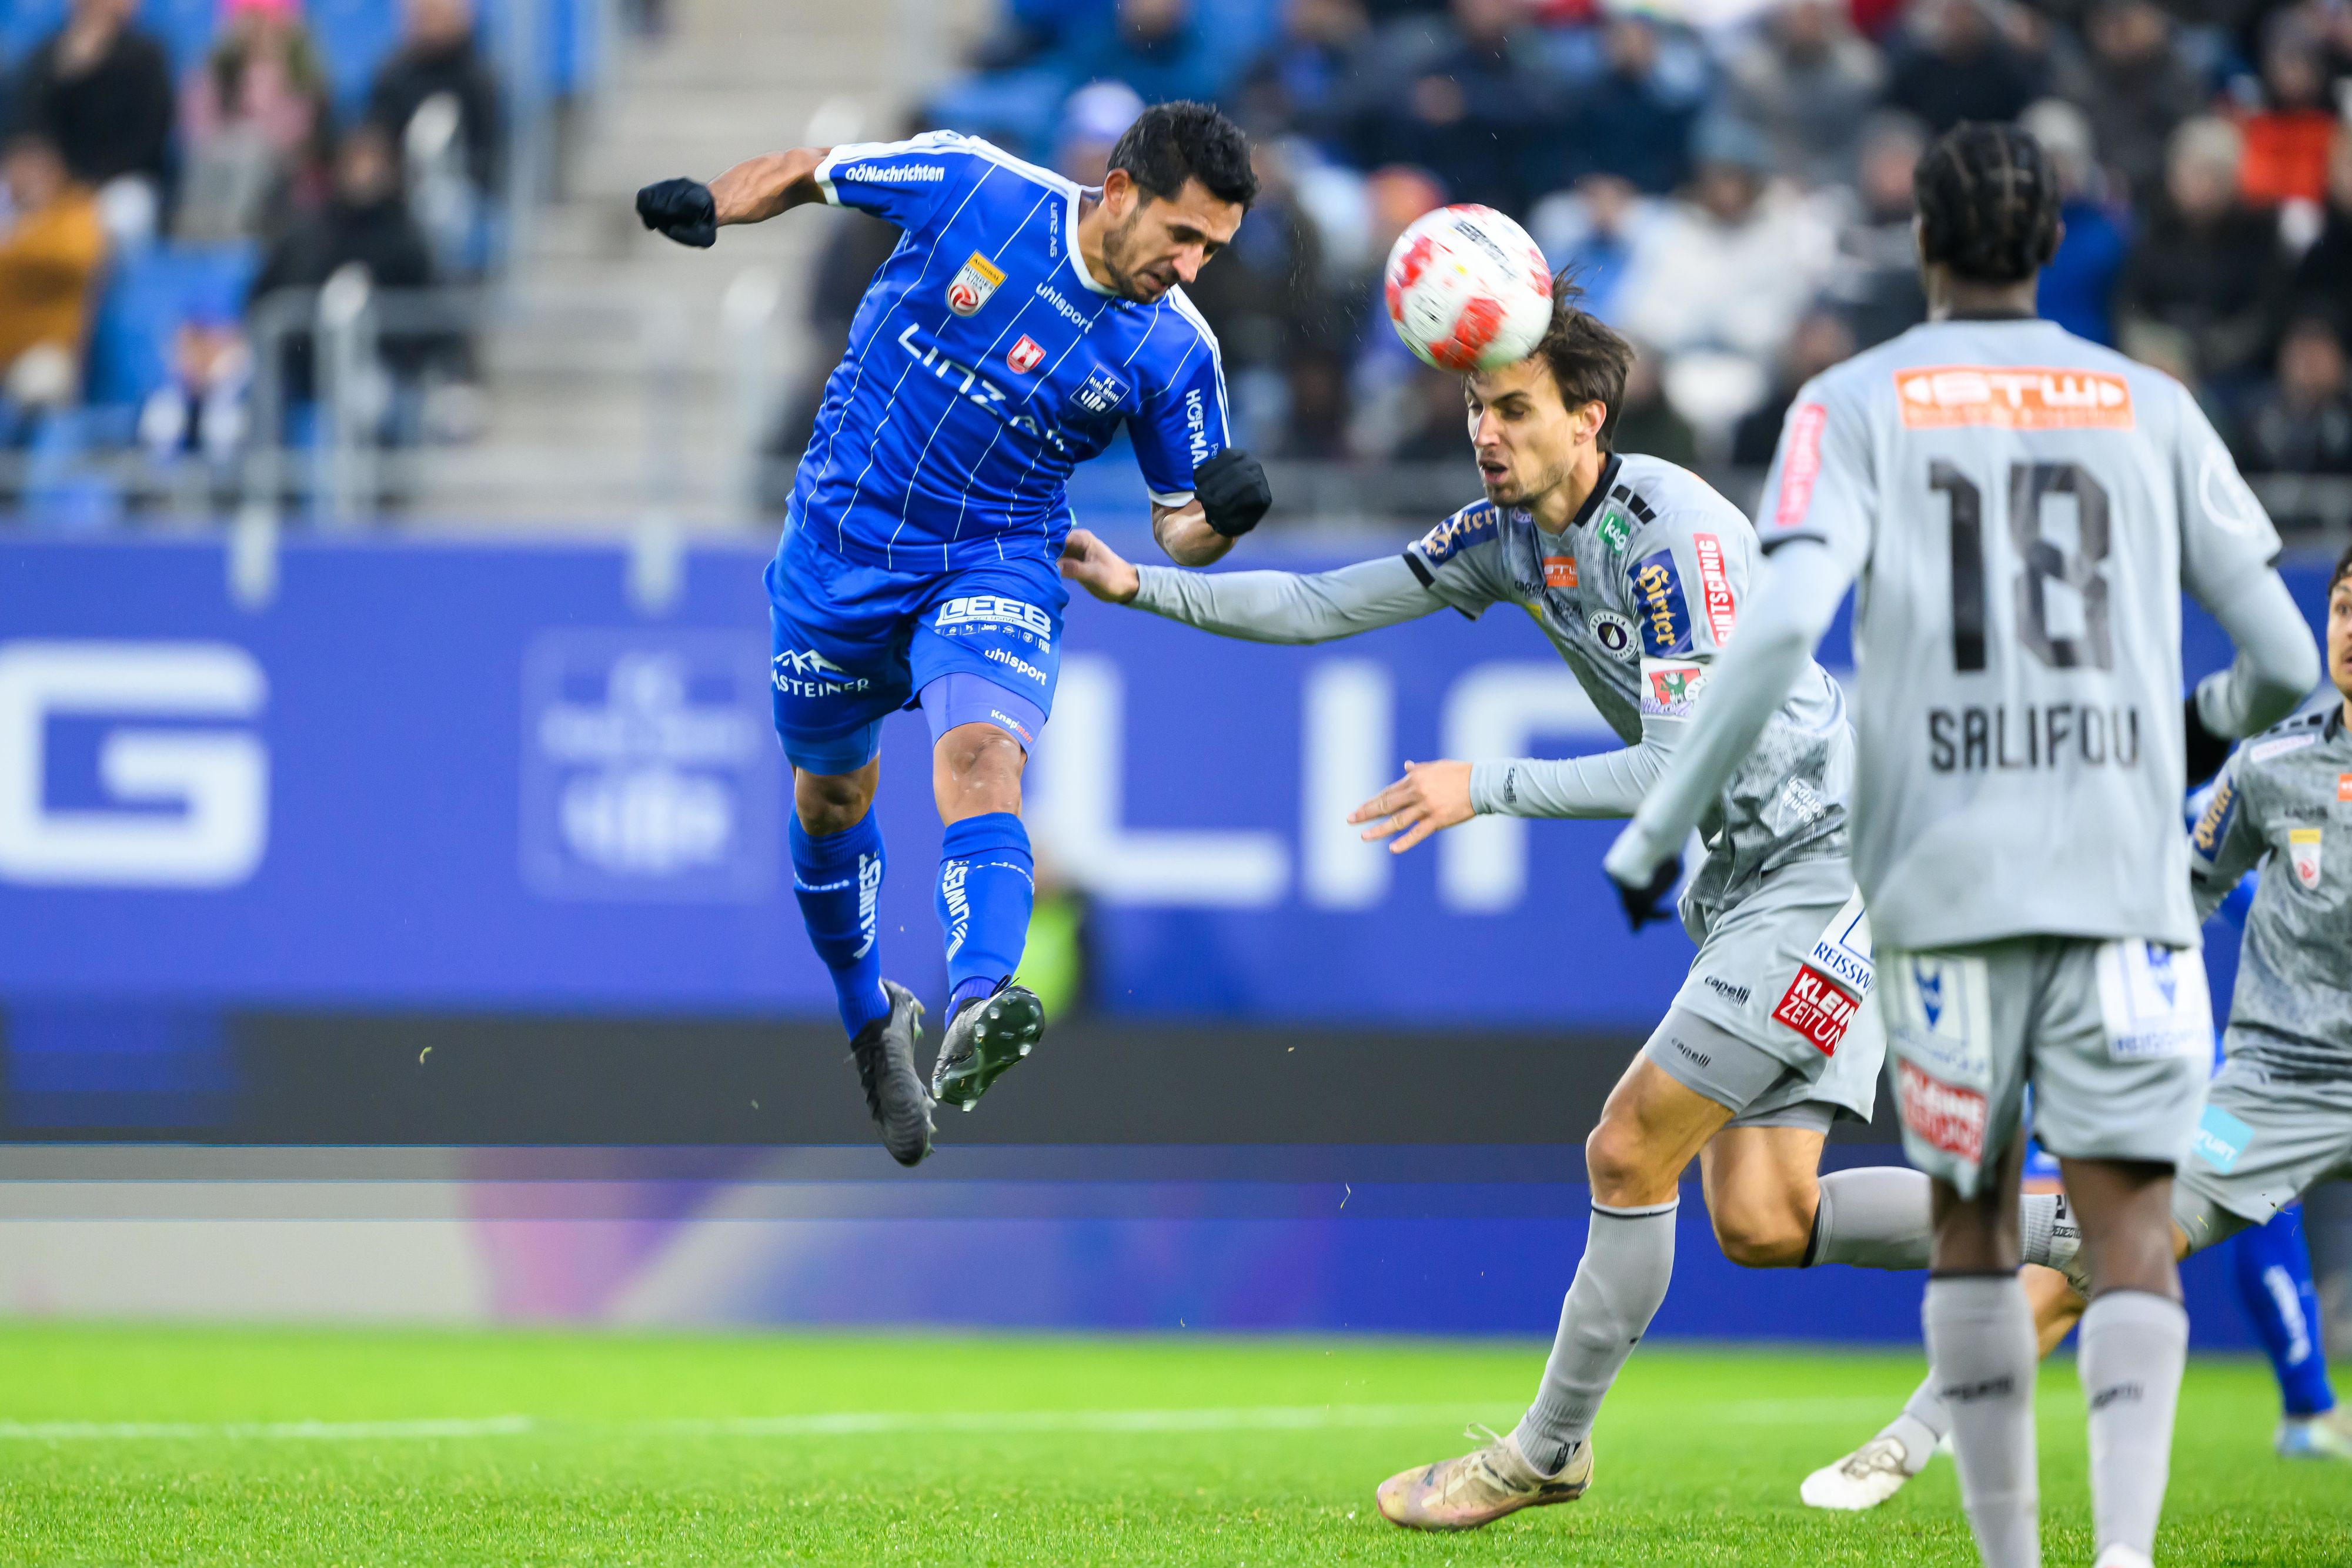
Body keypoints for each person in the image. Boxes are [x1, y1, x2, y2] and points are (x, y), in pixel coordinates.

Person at [1061, 275, 1946, 1530]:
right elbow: (1325, 601)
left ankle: (1545, 1450)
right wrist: (1140, 586)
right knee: (1763, 1216)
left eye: (1514, 409)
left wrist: (1484, 784)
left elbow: (1670, 762)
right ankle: (2060, 1225)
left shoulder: (1670, 537)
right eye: (1477, 406)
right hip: (1752, 878)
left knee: (1625, 1144)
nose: (1485, 432)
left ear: (1587, 418)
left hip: (1828, 862)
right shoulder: (1506, 536)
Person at [1601, 122, 2320, 1568]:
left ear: (1921, 246)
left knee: (1981, 1228)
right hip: (2121, 875)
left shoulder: (1852, 402)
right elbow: (2280, 656)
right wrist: (2176, 736)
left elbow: (1784, 629)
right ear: (2054, 243)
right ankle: (2120, 1557)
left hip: (1944, 880)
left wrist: (1661, 823)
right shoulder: (2147, 404)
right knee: (2122, 1232)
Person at [635, 103, 1272, 1167]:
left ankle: (981, 997)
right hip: (838, 546)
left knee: (982, 757)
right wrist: (717, 204)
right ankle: (868, 1020)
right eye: (1184, 235)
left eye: (1215, 248)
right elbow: (806, 171)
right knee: (831, 797)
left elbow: (1178, 526)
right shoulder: (972, 185)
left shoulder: (1178, 352)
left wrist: (1223, 517)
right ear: (1119, 193)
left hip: (996, 556)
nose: (1194, 267)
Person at [1799, 547, 2352, 1496]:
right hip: (2270, 1091)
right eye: (2345, 606)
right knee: (2114, 1239)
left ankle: (2307, 1408)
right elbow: (2175, 882)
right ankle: (1918, 1429)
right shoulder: (2270, 766)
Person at [0, 132, 107, 425]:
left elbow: (75, 258)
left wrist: (21, 238)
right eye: (14, 170)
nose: (20, 180)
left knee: (39, 384)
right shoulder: (9, 217)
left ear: (53, 172)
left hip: (47, 351)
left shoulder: (75, 210)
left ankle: (34, 466)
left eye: (29, 170)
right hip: (4, 350)